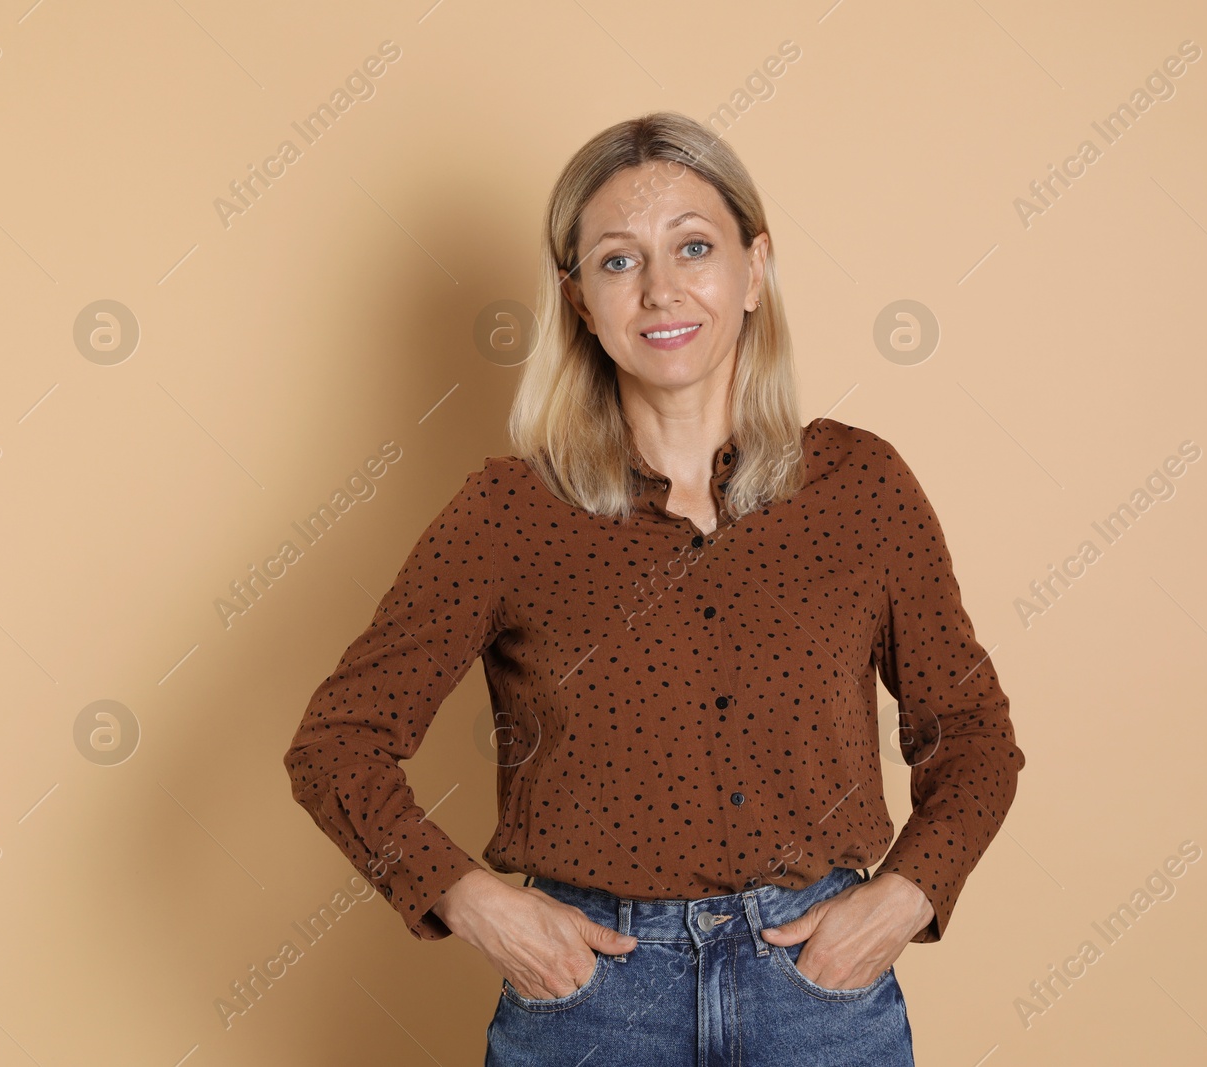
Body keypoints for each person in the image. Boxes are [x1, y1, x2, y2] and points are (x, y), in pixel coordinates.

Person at [282, 111, 1025, 1065]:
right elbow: (337, 745)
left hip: (818, 998)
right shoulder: (511, 510)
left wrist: (907, 895)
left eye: (695, 247)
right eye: (620, 261)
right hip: (592, 1007)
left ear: (754, 270)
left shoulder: (861, 487)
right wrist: (473, 903)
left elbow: (972, 734)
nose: (662, 289)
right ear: (579, 300)